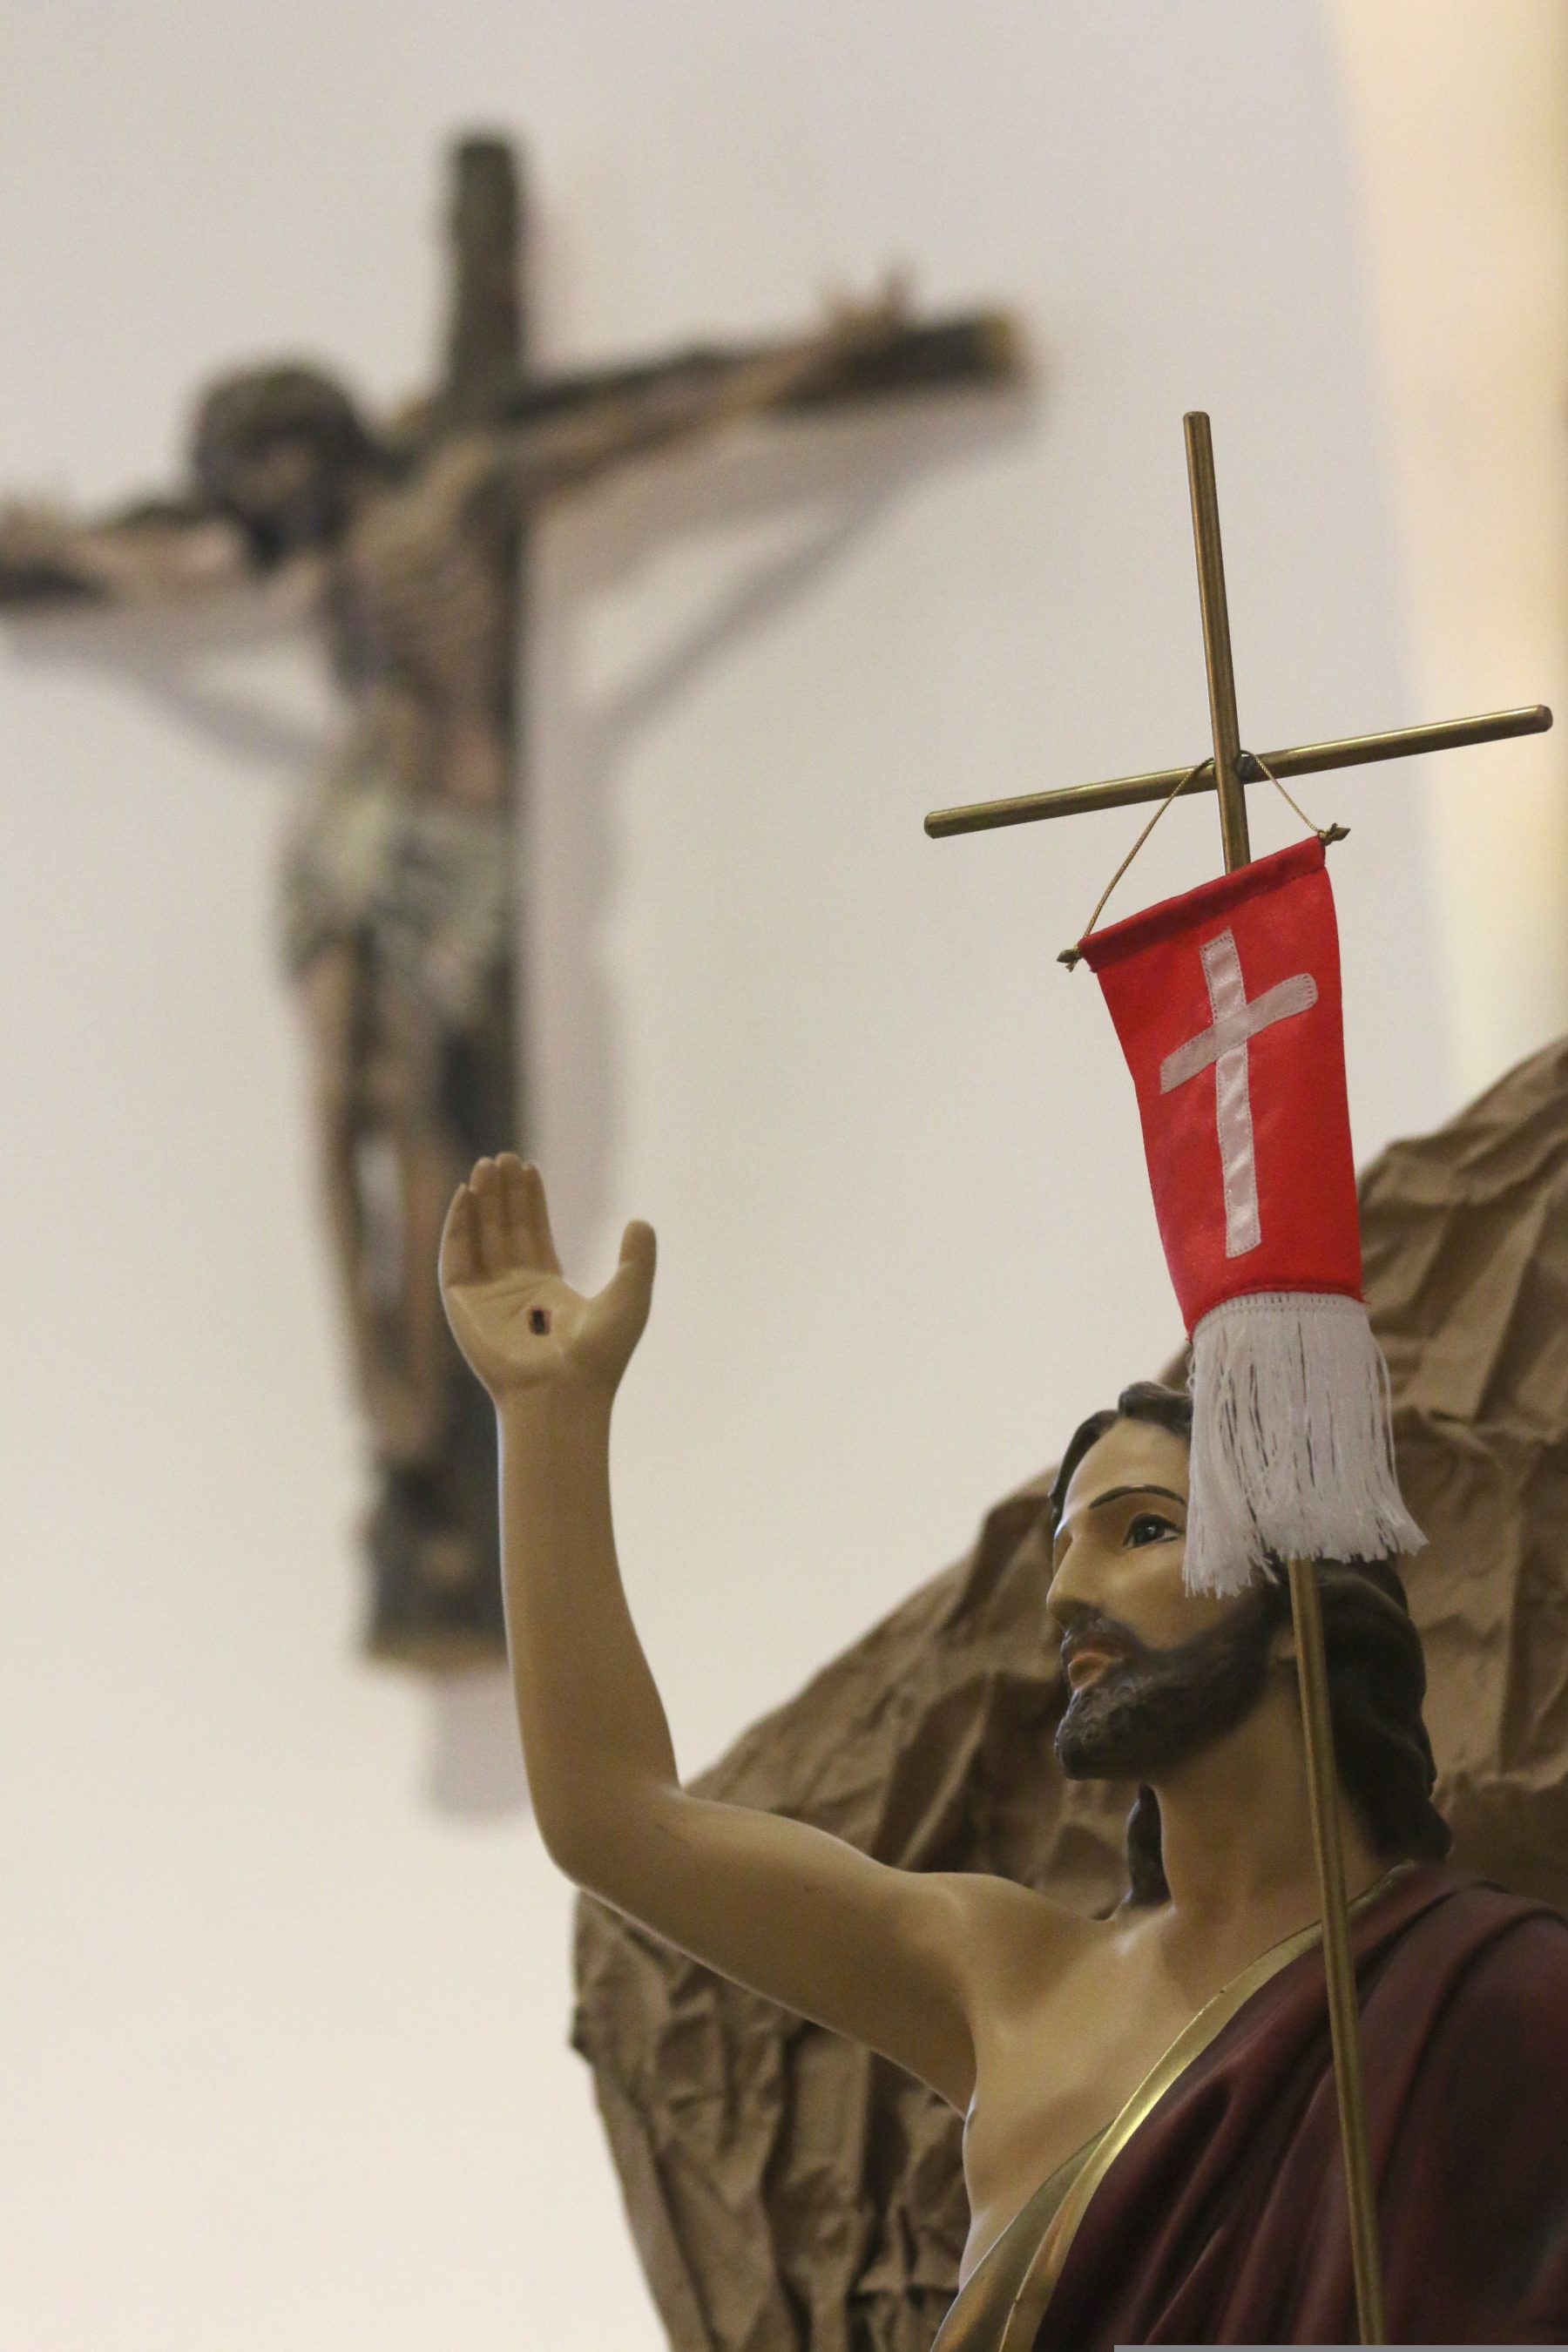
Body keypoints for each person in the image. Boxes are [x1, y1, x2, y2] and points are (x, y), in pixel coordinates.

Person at [438, 1151, 1568, 2347]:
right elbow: (613, 1816)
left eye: (1142, 1532)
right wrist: (548, 1417)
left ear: (1299, 1602)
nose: (1067, 1595)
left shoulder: (1497, 1999)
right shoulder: (1015, 1986)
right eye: (1063, 1553)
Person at [0, 294, 900, 1648]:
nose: (257, 501)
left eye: (262, 467)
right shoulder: (300, 556)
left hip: (453, 831)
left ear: (314, 438)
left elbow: (647, 429)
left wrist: (820, 353)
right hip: (344, 826)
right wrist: (53, 543)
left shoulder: (464, 490)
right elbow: (165, 567)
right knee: (327, 1107)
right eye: (238, 482)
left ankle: (425, 1385)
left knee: (416, 1106)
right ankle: (375, 1387)